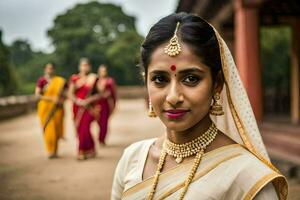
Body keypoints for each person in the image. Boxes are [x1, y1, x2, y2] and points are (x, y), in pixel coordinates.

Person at [111, 13, 288, 200]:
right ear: (145, 81)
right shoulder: (133, 159)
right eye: (159, 79)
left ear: (217, 84)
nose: (173, 97)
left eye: (191, 79)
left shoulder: (248, 176)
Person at [68, 58, 98, 160]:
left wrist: (88, 100)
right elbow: (70, 94)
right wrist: (78, 101)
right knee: (80, 129)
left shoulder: (93, 78)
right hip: (77, 107)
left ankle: (81, 151)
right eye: (82, 65)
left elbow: (99, 94)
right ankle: (90, 149)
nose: (84, 67)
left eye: (86, 65)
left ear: (89, 67)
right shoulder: (74, 78)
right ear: (79, 66)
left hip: (88, 107)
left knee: (85, 128)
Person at [35, 63, 66, 159]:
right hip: (45, 108)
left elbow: (65, 94)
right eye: (48, 68)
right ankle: (50, 151)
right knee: (49, 129)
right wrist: (51, 98)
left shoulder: (60, 81)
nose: (50, 70)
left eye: (51, 68)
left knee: (56, 129)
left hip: (57, 108)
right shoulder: (42, 81)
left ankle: (55, 151)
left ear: (54, 69)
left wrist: (60, 100)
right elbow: (37, 95)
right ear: (45, 69)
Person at [93, 64, 116, 145]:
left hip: (105, 104)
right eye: (101, 71)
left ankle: (101, 139)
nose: (103, 72)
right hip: (95, 104)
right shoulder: (95, 80)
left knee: (104, 123)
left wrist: (114, 105)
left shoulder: (109, 81)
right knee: (96, 121)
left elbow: (112, 94)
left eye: (104, 71)